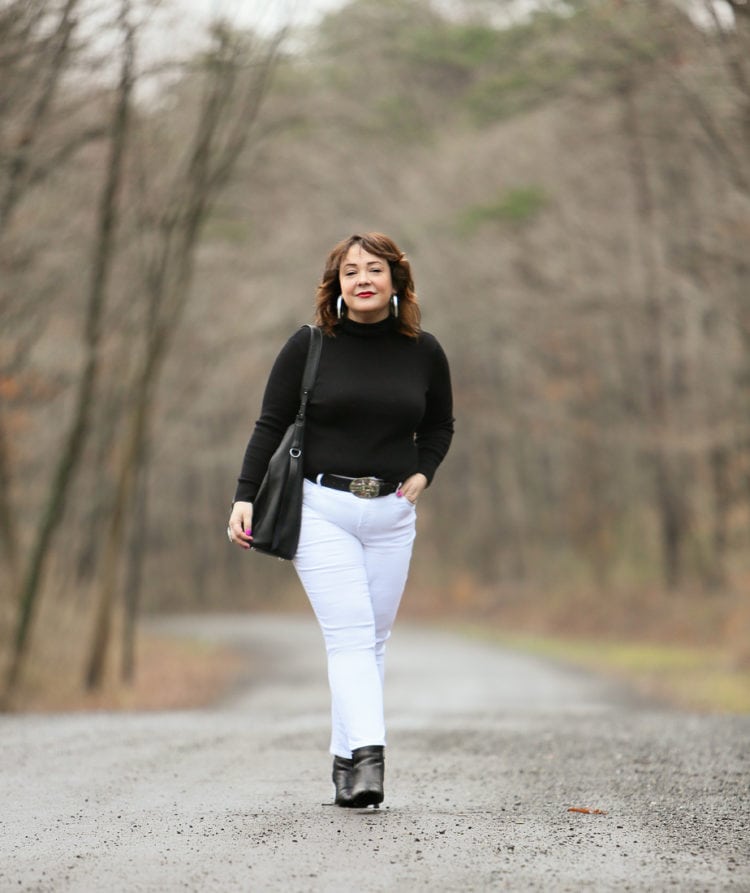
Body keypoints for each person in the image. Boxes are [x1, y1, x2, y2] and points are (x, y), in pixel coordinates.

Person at [227, 232, 454, 808]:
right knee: (350, 638)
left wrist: (423, 474)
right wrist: (244, 496)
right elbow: (268, 424)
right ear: (337, 286)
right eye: (350, 270)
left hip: (392, 514)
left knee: (370, 643)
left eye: (374, 268)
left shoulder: (424, 351)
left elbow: (440, 426)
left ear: (396, 281)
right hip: (321, 509)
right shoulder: (308, 346)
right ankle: (371, 759)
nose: (362, 278)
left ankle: (343, 765)